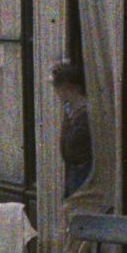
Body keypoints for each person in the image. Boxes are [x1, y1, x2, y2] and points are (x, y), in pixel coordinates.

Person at [52, 59, 93, 196]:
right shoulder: (68, 108)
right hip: (72, 167)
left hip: (84, 168)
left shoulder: (86, 112)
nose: (57, 93)